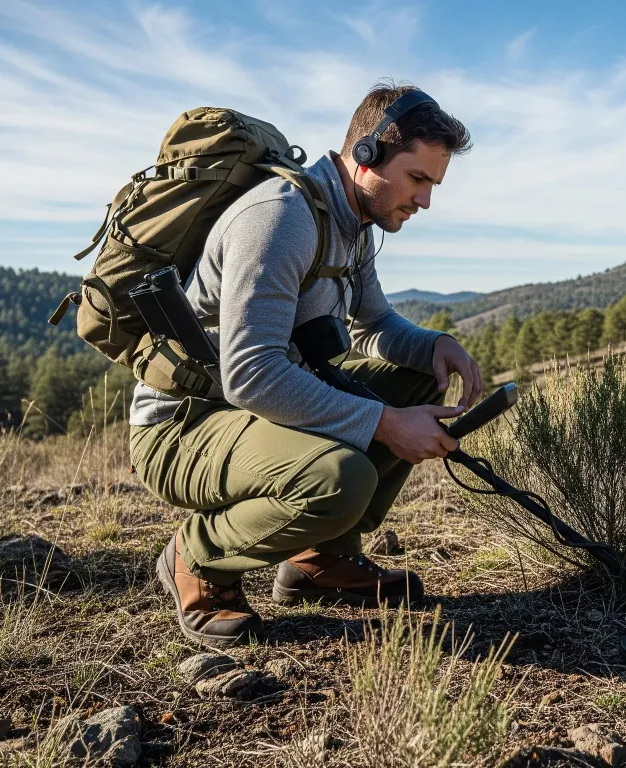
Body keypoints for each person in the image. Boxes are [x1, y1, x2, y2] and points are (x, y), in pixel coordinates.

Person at [129, 83, 482, 648]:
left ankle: (319, 557)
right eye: (418, 180)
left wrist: (434, 346)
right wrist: (387, 423)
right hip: (184, 426)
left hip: (253, 417)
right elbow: (251, 373)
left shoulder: (353, 220)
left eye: (432, 186)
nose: (425, 202)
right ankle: (197, 557)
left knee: (419, 380)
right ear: (367, 155)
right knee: (341, 478)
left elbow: (374, 325)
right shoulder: (280, 218)